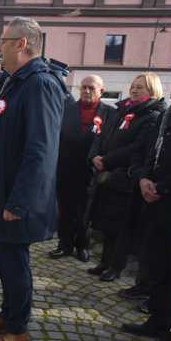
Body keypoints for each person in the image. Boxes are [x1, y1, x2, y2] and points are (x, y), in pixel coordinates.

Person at [0, 17, 67, 341]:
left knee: (14, 260)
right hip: (0, 190)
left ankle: (18, 328)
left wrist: (19, 201)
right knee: (4, 256)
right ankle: (8, 314)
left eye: (4, 41)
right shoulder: (15, 80)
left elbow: (41, 151)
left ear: (22, 43)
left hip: (16, 196)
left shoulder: (40, 84)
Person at [121, 52, 171, 341]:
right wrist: (144, 177)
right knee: (157, 266)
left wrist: (163, 186)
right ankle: (156, 321)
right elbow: (153, 152)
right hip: (156, 200)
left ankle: (169, 335)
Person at [86, 73, 166, 282]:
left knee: (122, 226)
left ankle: (115, 266)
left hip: (126, 177)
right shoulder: (123, 110)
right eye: (134, 86)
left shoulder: (152, 115)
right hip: (109, 173)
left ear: (152, 90)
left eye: (141, 87)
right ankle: (104, 261)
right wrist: (96, 156)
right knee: (107, 221)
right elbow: (105, 135)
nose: (135, 89)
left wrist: (108, 159)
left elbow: (137, 147)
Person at [49, 76, 115, 262]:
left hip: (91, 171)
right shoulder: (67, 109)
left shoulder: (109, 113)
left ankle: (82, 245)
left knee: (85, 211)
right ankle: (64, 244)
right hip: (66, 168)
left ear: (101, 91)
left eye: (91, 88)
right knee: (65, 208)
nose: (86, 91)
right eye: (84, 87)